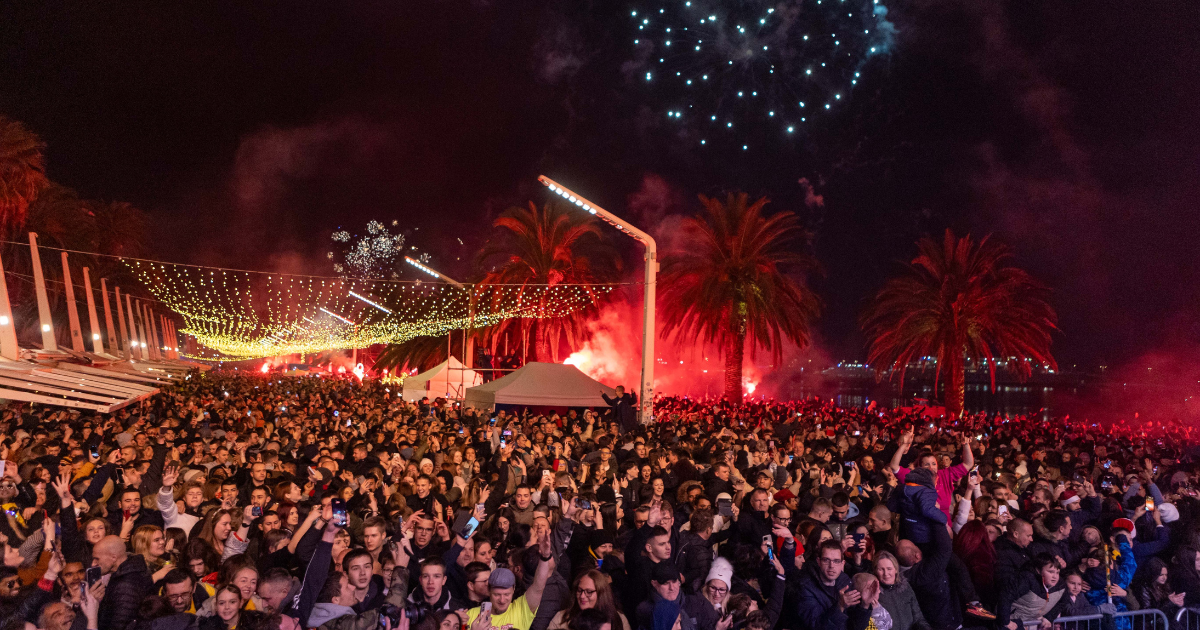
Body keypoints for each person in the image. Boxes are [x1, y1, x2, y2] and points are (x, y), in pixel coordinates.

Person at [466, 530, 556, 630]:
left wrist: (545, 557)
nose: (502, 600)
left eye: (506, 594)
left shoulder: (521, 609)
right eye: (497, 595)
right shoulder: (472, 615)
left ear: (513, 589)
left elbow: (539, 587)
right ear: (489, 591)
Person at [94, 534, 154, 630]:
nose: (94, 563)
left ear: (113, 557)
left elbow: (119, 625)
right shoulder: (127, 574)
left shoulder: (126, 585)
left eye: (97, 559)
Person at [548, 571, 631, 630]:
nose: (582, 596)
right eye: (580, 590)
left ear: (601, 594)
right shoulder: (561, 618)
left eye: (589, 592)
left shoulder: (618, 619)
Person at [874, 551, 928, 630]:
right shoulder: (875, 594)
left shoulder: (906, 588)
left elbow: (918, 618)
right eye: (881, 569)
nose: (886, 573)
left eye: (889, 569)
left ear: (896, 570)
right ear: (875, 571)